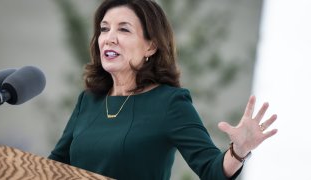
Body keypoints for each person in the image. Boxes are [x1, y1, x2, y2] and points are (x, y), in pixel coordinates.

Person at [48, 0, 278, 179]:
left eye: (124, 30)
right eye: (104, 29)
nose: (108, 38)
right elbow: (52, 168)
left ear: (151, 46)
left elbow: (211, 170)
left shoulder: (169, 103)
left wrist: (238, 151)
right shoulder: (88, 101)